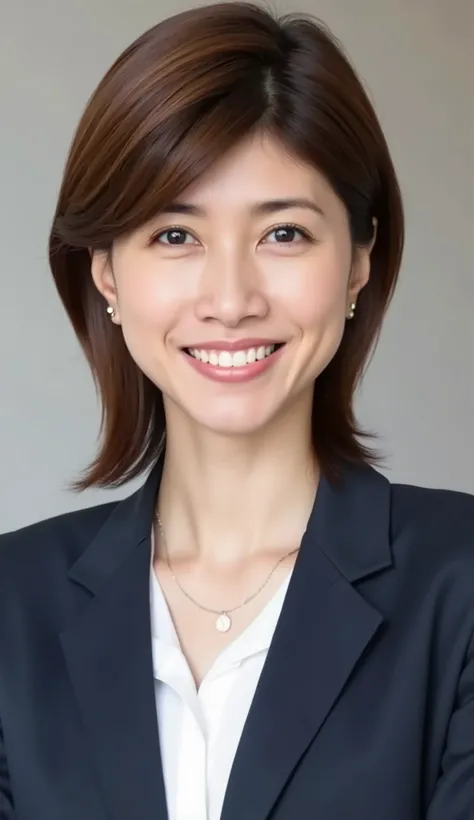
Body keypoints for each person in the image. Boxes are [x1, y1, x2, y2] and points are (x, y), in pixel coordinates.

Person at [0, 2, 473, 818]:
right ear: (107, 274)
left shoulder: (459, 584)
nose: (230, 300)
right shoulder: (12, 605)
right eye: (174, 236)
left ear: (358, 261)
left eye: (283, 234)